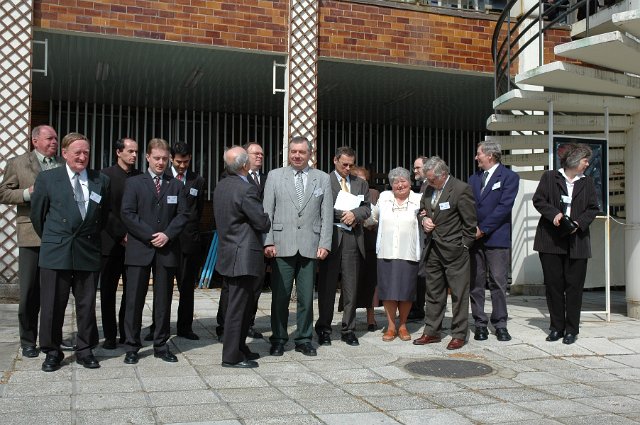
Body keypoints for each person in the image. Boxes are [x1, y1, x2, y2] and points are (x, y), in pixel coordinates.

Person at [30, 132, 110, 371]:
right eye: (77, 152)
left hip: (87, 248)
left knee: (86, 305)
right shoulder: (47, 179)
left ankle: (85, 350)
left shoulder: (101, 180)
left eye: (86, 152)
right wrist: (56, 238)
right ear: (64, 153)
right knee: (53, 305)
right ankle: (52, 351)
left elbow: (103, 216)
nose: (82, 157)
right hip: (57, 250)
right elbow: (38, 217)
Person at [120, 138, 189, 365]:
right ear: (147, 157)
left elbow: (183, 215)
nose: (160, 163)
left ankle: (161, 344)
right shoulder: (134, 183)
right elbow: (127, 213)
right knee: (134, 299)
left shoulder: (176, 185)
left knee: (163, 300)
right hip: (140, 248)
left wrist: (167, 234)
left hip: (166, 249)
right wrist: (151, 235)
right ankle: (132, 346)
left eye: (164, 159)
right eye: (156, 158)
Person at [263, 136, 333, 357]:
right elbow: (267, 211)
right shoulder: (275, 176)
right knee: (280, 297)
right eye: (293, 151)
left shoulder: (322, 178)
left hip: (310, 245)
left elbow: (327, 214)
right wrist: (268, 240)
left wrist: (325, 243)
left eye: (302, 152)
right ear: (288, 152)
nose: (297, 155)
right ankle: (278, 338)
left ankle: (304, 338)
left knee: (306, 298)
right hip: (281, 244)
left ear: (309, 154)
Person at [0, 125, 62, 358]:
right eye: (49, 138)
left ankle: (52, 338)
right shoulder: (17, 163)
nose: (54, 142)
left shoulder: (62, 165)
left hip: (57, 236)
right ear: (35, 141)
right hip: (30, 236)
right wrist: (28, 193)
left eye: (56, 138)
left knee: (53, 292)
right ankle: (28, 340)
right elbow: (3, 193)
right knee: (28, 292)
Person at [533, 143, 599, 345]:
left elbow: (593, 208)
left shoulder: (587, 182)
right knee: (554, 286)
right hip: (550, 241)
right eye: (585, 160)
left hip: (577, 241)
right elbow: (539, 200)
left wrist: (578, 223)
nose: (587, 164)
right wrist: (554, 214)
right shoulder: (549, 177)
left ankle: (571, 329)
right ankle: (556, 328)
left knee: (574, 288)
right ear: (574, 161)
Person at [213, 146, 271, 368]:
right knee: (238, 308)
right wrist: (266, 217)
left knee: (240, 305)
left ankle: (240, 347)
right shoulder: (246, 189)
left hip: (229, 252)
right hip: (244, 254)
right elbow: (262, 222)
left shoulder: (221, 185)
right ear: (245, 165)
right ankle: (231, 356)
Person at [144, 141, 206, 341]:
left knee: (186, 287)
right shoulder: (164, 178)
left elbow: (198, 210)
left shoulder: (197, 180)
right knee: (162, 289)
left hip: (188, 242)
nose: (182, 166)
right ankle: (158, 326)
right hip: (167, 242)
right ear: (172, 159)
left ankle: (185, 327)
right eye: (179, 162)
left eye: (186, 162)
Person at [413, 156, 476, 350]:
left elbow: (470, 223)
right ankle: (431, 331)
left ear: (443, 175)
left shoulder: (461, 189)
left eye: (432, 179)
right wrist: (423, 221)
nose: (429, 183)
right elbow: (422, 210)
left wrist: (464, 246)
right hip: (433, 249)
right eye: (428, 179)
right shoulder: (429, 188)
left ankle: (459, 334)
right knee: (433, 293)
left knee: (458, 295)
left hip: (455, 250)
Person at [315, 146, 370, 347]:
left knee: (350, 287)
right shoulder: (323, 180)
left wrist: (355, 214)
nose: (347, 168)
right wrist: (343, 215)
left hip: (352, 239)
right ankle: (324, 328)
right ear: (335, 160)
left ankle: (349, 329)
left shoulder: (360, 183)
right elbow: (318, 207)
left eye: (351, 165)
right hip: (330, 238)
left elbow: (367, 208)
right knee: (327, 287)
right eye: (344, 164)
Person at [469, 141, 520, 342]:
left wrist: (483, 229)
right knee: (476, 283)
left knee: (498, 282)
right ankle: (480, 323)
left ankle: (500, 324)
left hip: (496, 238)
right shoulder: (473, 178)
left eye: (478, 154)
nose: (476, 157)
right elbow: (468, 206)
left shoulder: (509, 177)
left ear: (490, 155)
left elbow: (504, 207)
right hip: (475, 239)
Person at [369, 167, 422, 342]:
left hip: (409, 251)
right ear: (391, 185)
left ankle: (403, 325)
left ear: (410, 182)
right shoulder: (384, 198)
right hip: (386, 251)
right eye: (395, 182)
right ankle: (391, 326)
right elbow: (373, 217)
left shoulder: (418, 200)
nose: (399, 185)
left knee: (406, 291)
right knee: (388, 291)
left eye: (403, 181)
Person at [99, 137, 140, 349]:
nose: (134, 155)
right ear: (118, 152)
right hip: (110, 243)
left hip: (135, 243)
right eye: (130, 151)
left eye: (136, 152)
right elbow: (103, 210)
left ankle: (127, 332)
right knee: (108, 291)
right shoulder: (104, 176)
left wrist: (134, 234)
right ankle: (109, 335)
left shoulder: (140, 177)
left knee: (131, 292)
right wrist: (121, 234)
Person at [351, 166, 380, 332]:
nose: (362, 183)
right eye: (359, 180)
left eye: (365, 180)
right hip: (353, 241)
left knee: (370, 281)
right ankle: (350, 318)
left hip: (370, 241)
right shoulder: (348, 192)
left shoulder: (374, 193)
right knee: (352, 281)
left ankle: (371, 318)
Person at [408, 155, 428, 322]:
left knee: (421, 274)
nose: (414, 170)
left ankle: (418, 308)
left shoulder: (429, 186)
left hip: (427, 236)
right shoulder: (423, 185)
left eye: (417, 168)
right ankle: (417, 307)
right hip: (422, 236)